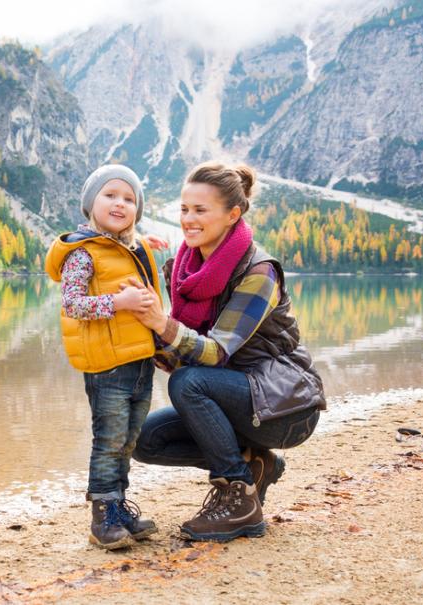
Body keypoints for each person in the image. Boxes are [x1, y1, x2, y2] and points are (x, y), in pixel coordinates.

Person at [128, 160, 326, 543]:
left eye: (201, 210)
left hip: (286, 406)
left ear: (233, 214)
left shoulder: (259, 272)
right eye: (184, 209)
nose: (189, 219)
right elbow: (181, 353)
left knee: (189, 383)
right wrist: (144, 333)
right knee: (144, 440)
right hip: (239, 397)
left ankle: (238, 498)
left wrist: (161, 324)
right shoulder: (183, 270)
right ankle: (255, 467)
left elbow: (215, 353)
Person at [44, 164, 163, 550]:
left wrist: (147, 246)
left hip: (140, 361)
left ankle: (119, 508)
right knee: (109, 440)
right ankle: (102, 516)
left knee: (128, 440)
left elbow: (128, 263)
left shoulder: (130, 247)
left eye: (129, 199)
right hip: (107, 366)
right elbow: (74, 304)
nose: (120, 203)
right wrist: (120, 302)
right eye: (110, 195)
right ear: (90, 204)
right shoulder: (82, 253)